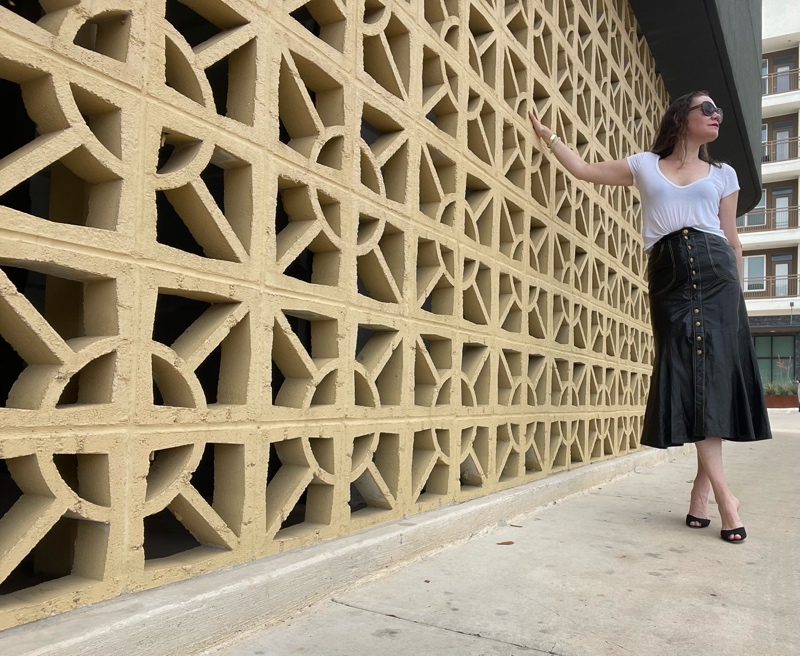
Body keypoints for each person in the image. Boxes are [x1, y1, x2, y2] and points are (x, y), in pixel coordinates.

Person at [528, 91, 772, 543]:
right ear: (681, 117)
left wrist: (739, 297)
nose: (717, 116)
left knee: (709, 380)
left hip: (718, 276)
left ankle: (717, 498)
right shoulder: (642, 165)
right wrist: (550, 139)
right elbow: (584, 171)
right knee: (687, 374)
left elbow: (732, 238)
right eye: (708, 109)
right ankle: (714, 494)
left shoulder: (724, 173)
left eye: (718, 111)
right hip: (669, 276)